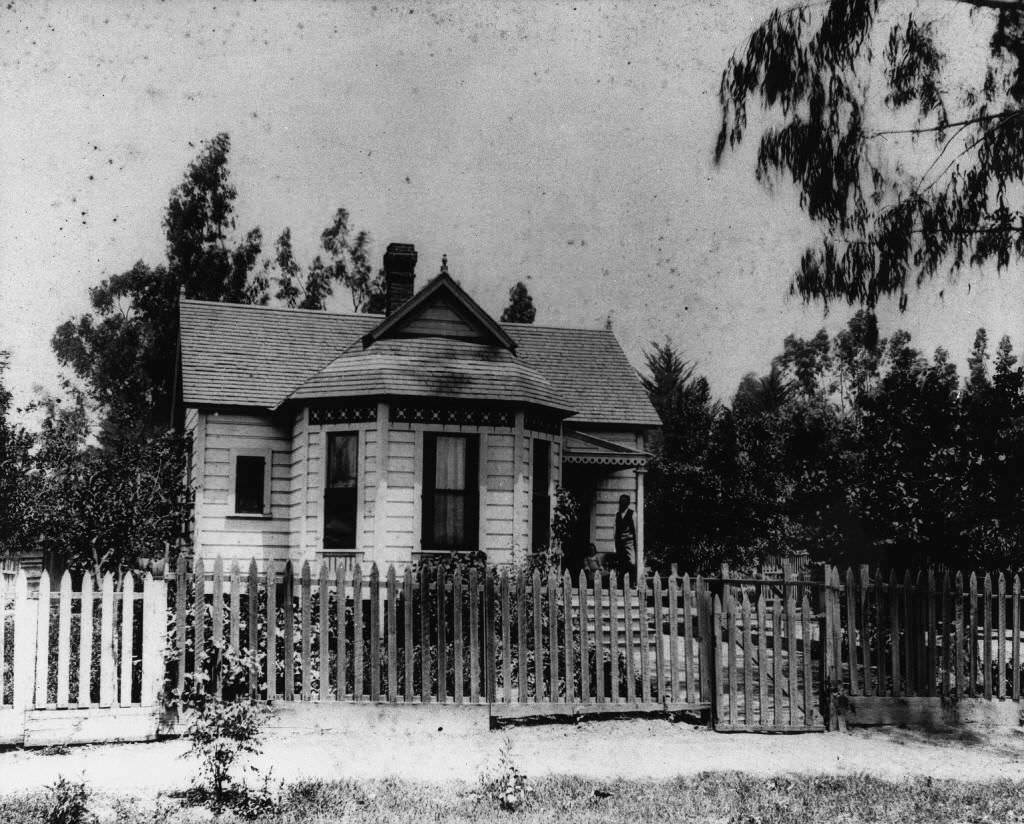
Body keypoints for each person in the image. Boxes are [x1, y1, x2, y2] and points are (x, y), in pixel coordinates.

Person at [614, 494, 637, 581]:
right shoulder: (617, 515)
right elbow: (615, 531)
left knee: (632, 562)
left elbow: (635, 530)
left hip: (629, 542)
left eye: (624, 501)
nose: (622, 503)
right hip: (620, 543)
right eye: (621, 501)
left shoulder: (632, 514)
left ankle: (632, 582)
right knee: (621, 563)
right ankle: (621, 584)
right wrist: (615, 545)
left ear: (628, 503)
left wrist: (635, 543)